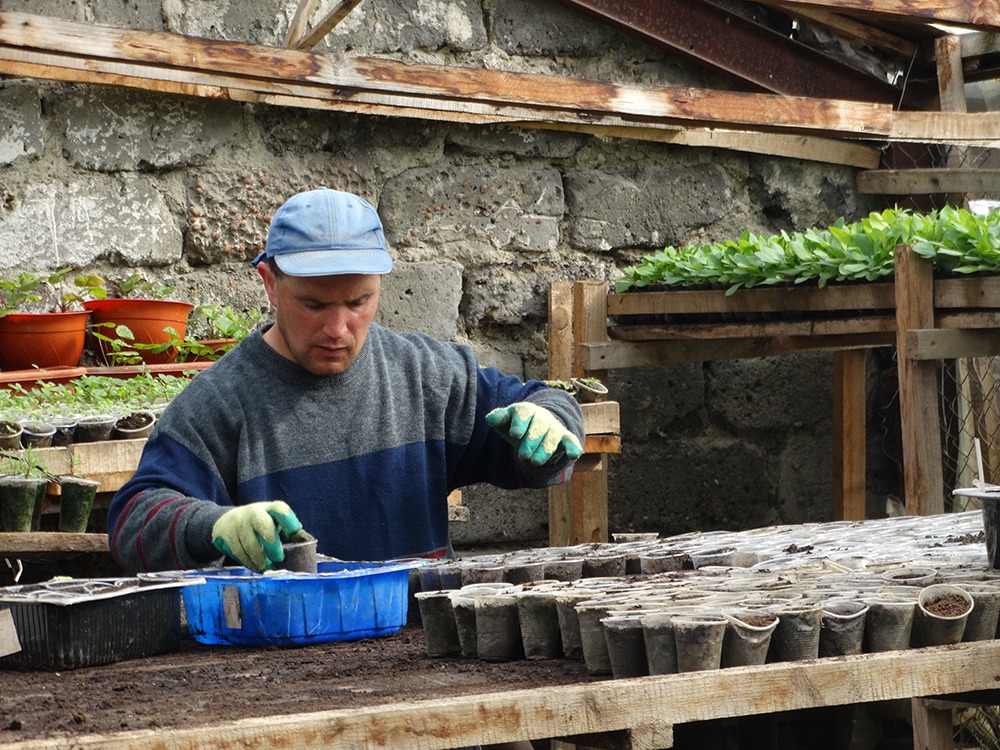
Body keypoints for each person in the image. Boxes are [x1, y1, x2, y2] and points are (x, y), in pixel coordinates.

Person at [107, 187, 585, 575]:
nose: (337, 329)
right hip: (280, 664)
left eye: (358, 302)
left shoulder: (426, 376)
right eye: (314, 304)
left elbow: (540, 419)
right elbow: (134, 520)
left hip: (425, 656)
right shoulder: (219, 403)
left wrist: (553, 422)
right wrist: (211, 525)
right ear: (270, 282)